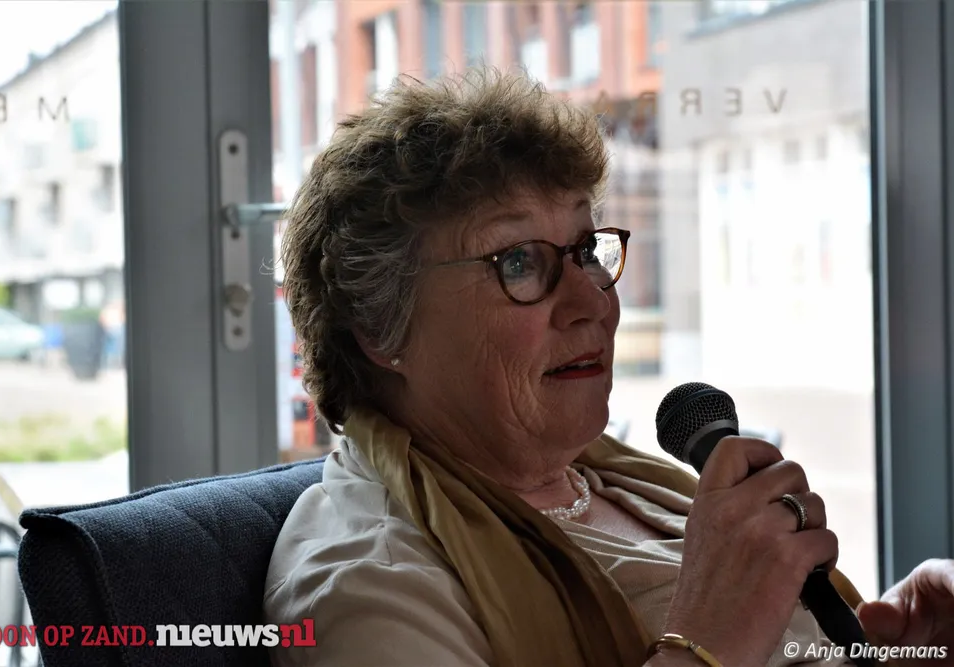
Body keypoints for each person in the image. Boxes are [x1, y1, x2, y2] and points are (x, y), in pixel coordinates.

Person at [264, 68, 953, 667]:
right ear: (378, 325)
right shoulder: (369, 579)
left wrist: (888, 643)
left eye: (585, 249)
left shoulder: (619, 481)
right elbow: (719, 641)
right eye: (518, 262)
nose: (593, 299)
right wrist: (707, 643)